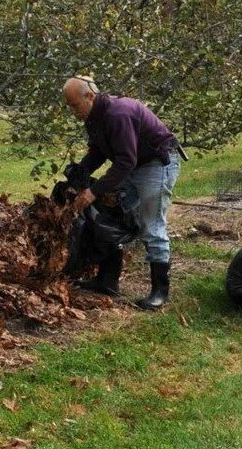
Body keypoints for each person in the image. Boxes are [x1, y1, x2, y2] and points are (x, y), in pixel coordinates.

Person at [61, 76, 181, 311]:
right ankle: (107, 281)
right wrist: (79, 175)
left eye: (75, 105)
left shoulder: (119, 114)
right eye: (70, 107)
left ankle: (159, 292)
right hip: (134, 165)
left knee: (151, 225)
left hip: (157, 164)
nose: (74, 112)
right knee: (110, 215)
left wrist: (93, 191)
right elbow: (98, 152)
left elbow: (125, 161)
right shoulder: (93, 118)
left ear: (90, 96)